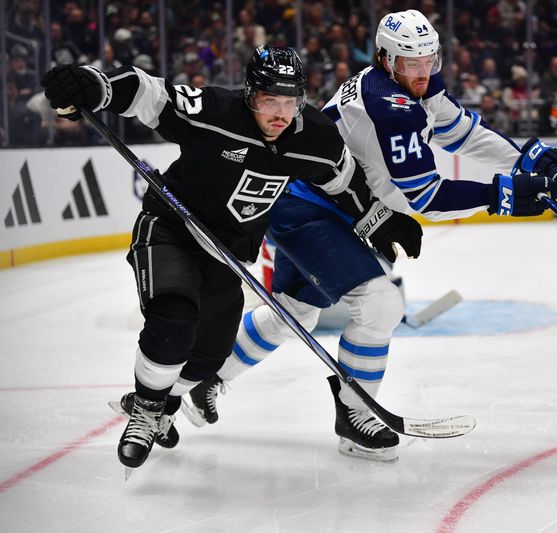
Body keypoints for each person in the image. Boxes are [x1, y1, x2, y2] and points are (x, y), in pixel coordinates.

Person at [185, 9, 557, 463]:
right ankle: (355, 415)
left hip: (316, 201)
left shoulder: (407, 84)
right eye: (412, 64)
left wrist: (527, 160)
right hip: (312, 206)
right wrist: (507, 196)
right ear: (386, 60)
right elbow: (424, 197)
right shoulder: (388, 109)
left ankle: (207, 381)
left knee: (297, 312)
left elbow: (464, 133)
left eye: (429, 61)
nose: (422, 73)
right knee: (379, 304)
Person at [40, 45, 420, 469]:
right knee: (175, 316)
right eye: (268, 100)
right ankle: (148, 410)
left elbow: (345, 184)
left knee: (209, 358)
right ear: (249, 94)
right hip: (171, 228)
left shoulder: (312, 136)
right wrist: (94, 85)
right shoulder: (215, 111)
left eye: (290, 101)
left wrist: (382, 220)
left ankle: (160, 404)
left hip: (227, 255)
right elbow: (150, 95)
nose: (280, 113)